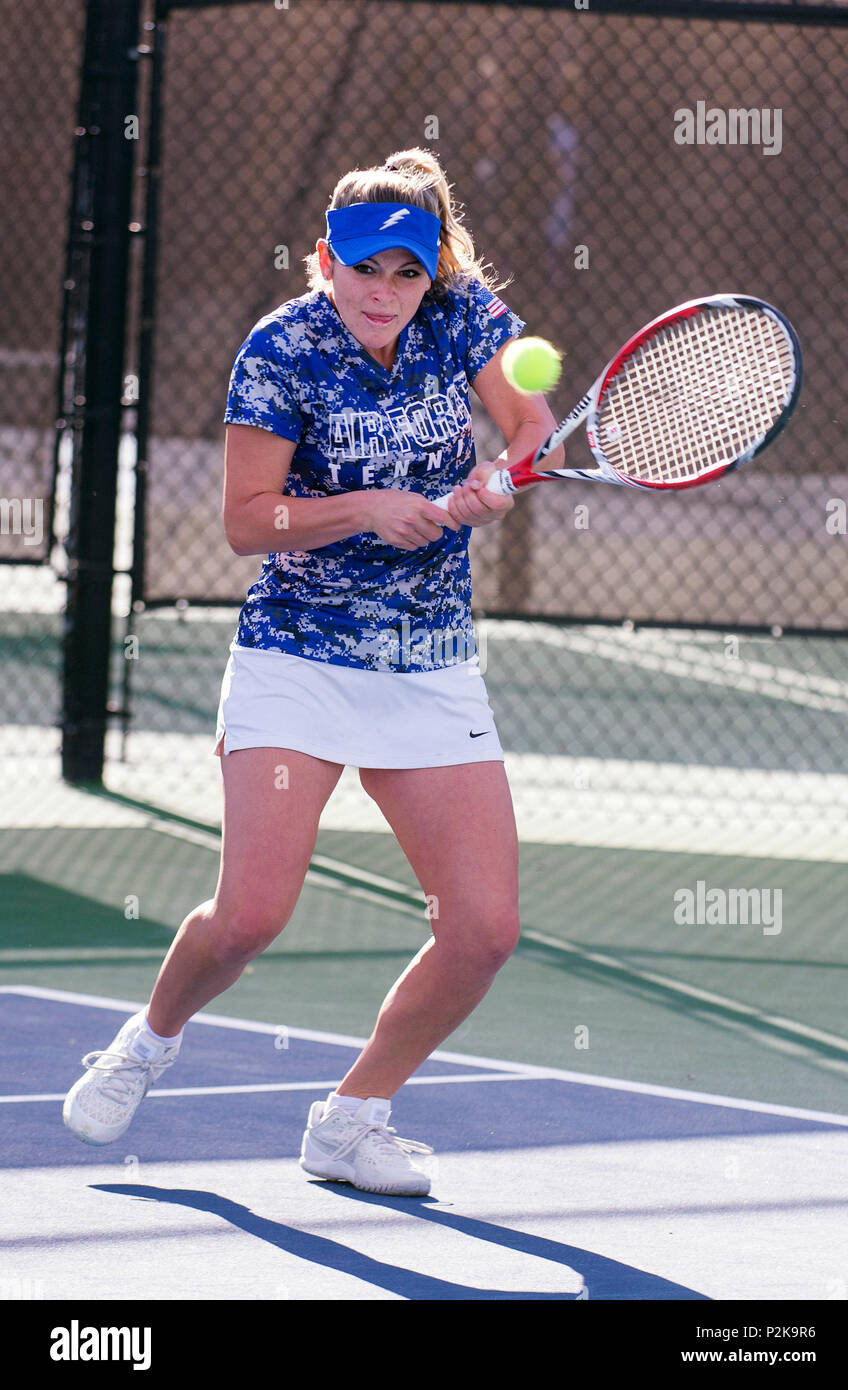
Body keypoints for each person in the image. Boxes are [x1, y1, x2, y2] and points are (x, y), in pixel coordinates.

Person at [63, 148, 564, 1196]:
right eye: (364, 269)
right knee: (250, 914)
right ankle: (148, 1041)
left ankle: (351, 1117)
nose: (384, 292)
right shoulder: (279, 349)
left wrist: (496, 476)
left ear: (431, 276)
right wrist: (363, 508)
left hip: (427, 661)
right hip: (299, 654)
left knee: (481, 932)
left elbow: (528, 422)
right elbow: (248, 522)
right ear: (324, 260)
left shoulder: (460, 315)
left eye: (405, 273)